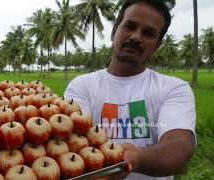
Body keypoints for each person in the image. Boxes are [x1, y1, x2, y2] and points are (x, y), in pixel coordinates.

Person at [64, 0, 196, 179]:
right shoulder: (82, 86)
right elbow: (73, 140)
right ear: (114, 31)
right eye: (130, 26)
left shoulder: (173, 88)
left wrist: (136, 157)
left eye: (148, 33)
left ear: (157, 45)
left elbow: (179, 148)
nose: (136, 37)